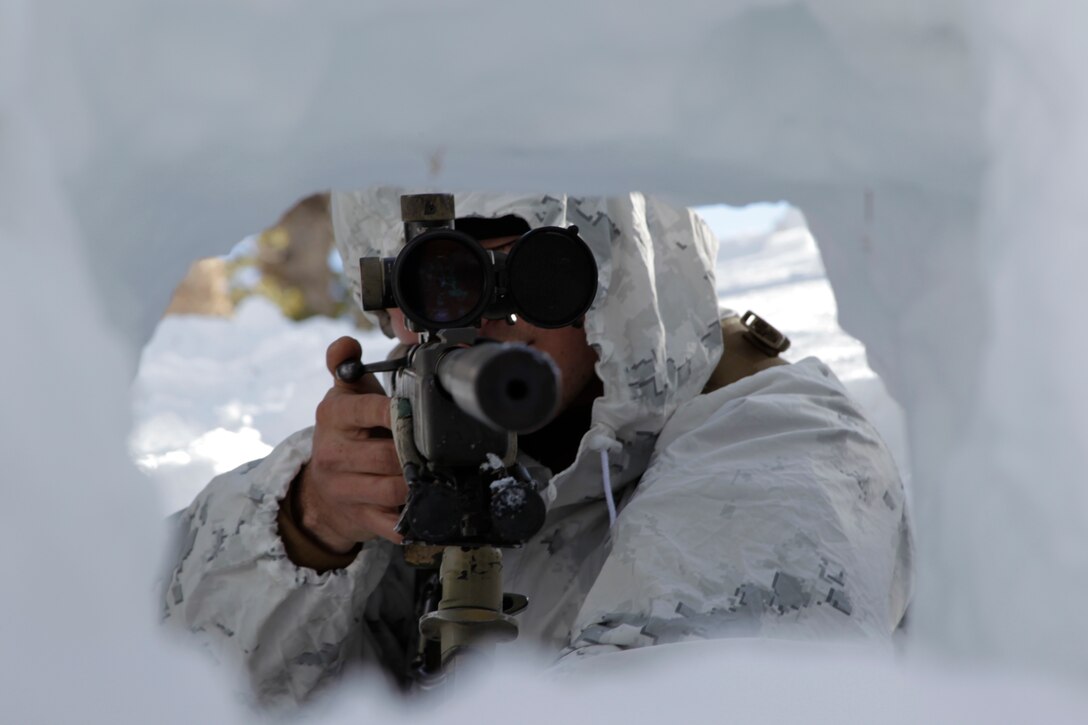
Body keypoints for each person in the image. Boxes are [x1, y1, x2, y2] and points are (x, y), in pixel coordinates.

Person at [163, 187, 913, 708]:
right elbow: (151, 678)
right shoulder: (394, 456)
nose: (485, 322)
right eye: (438, 281)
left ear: (619, 274)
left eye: (532, 272)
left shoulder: (782, 445)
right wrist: (308, 529)